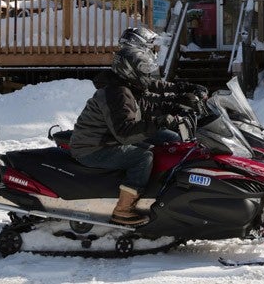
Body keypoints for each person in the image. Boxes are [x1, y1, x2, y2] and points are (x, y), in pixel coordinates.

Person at [69, 27, 200, 226]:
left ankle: (160, 189)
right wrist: (163, 120)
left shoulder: (128, 87)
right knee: (143, 157)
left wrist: (176, 105)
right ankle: (123, 210)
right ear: (131, 70)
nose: (147, 75)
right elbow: (125, 133)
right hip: (94, 147)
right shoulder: (118, 93)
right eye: (143, 71)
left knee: (170, 139)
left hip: (107, 138)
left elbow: (147, 105)